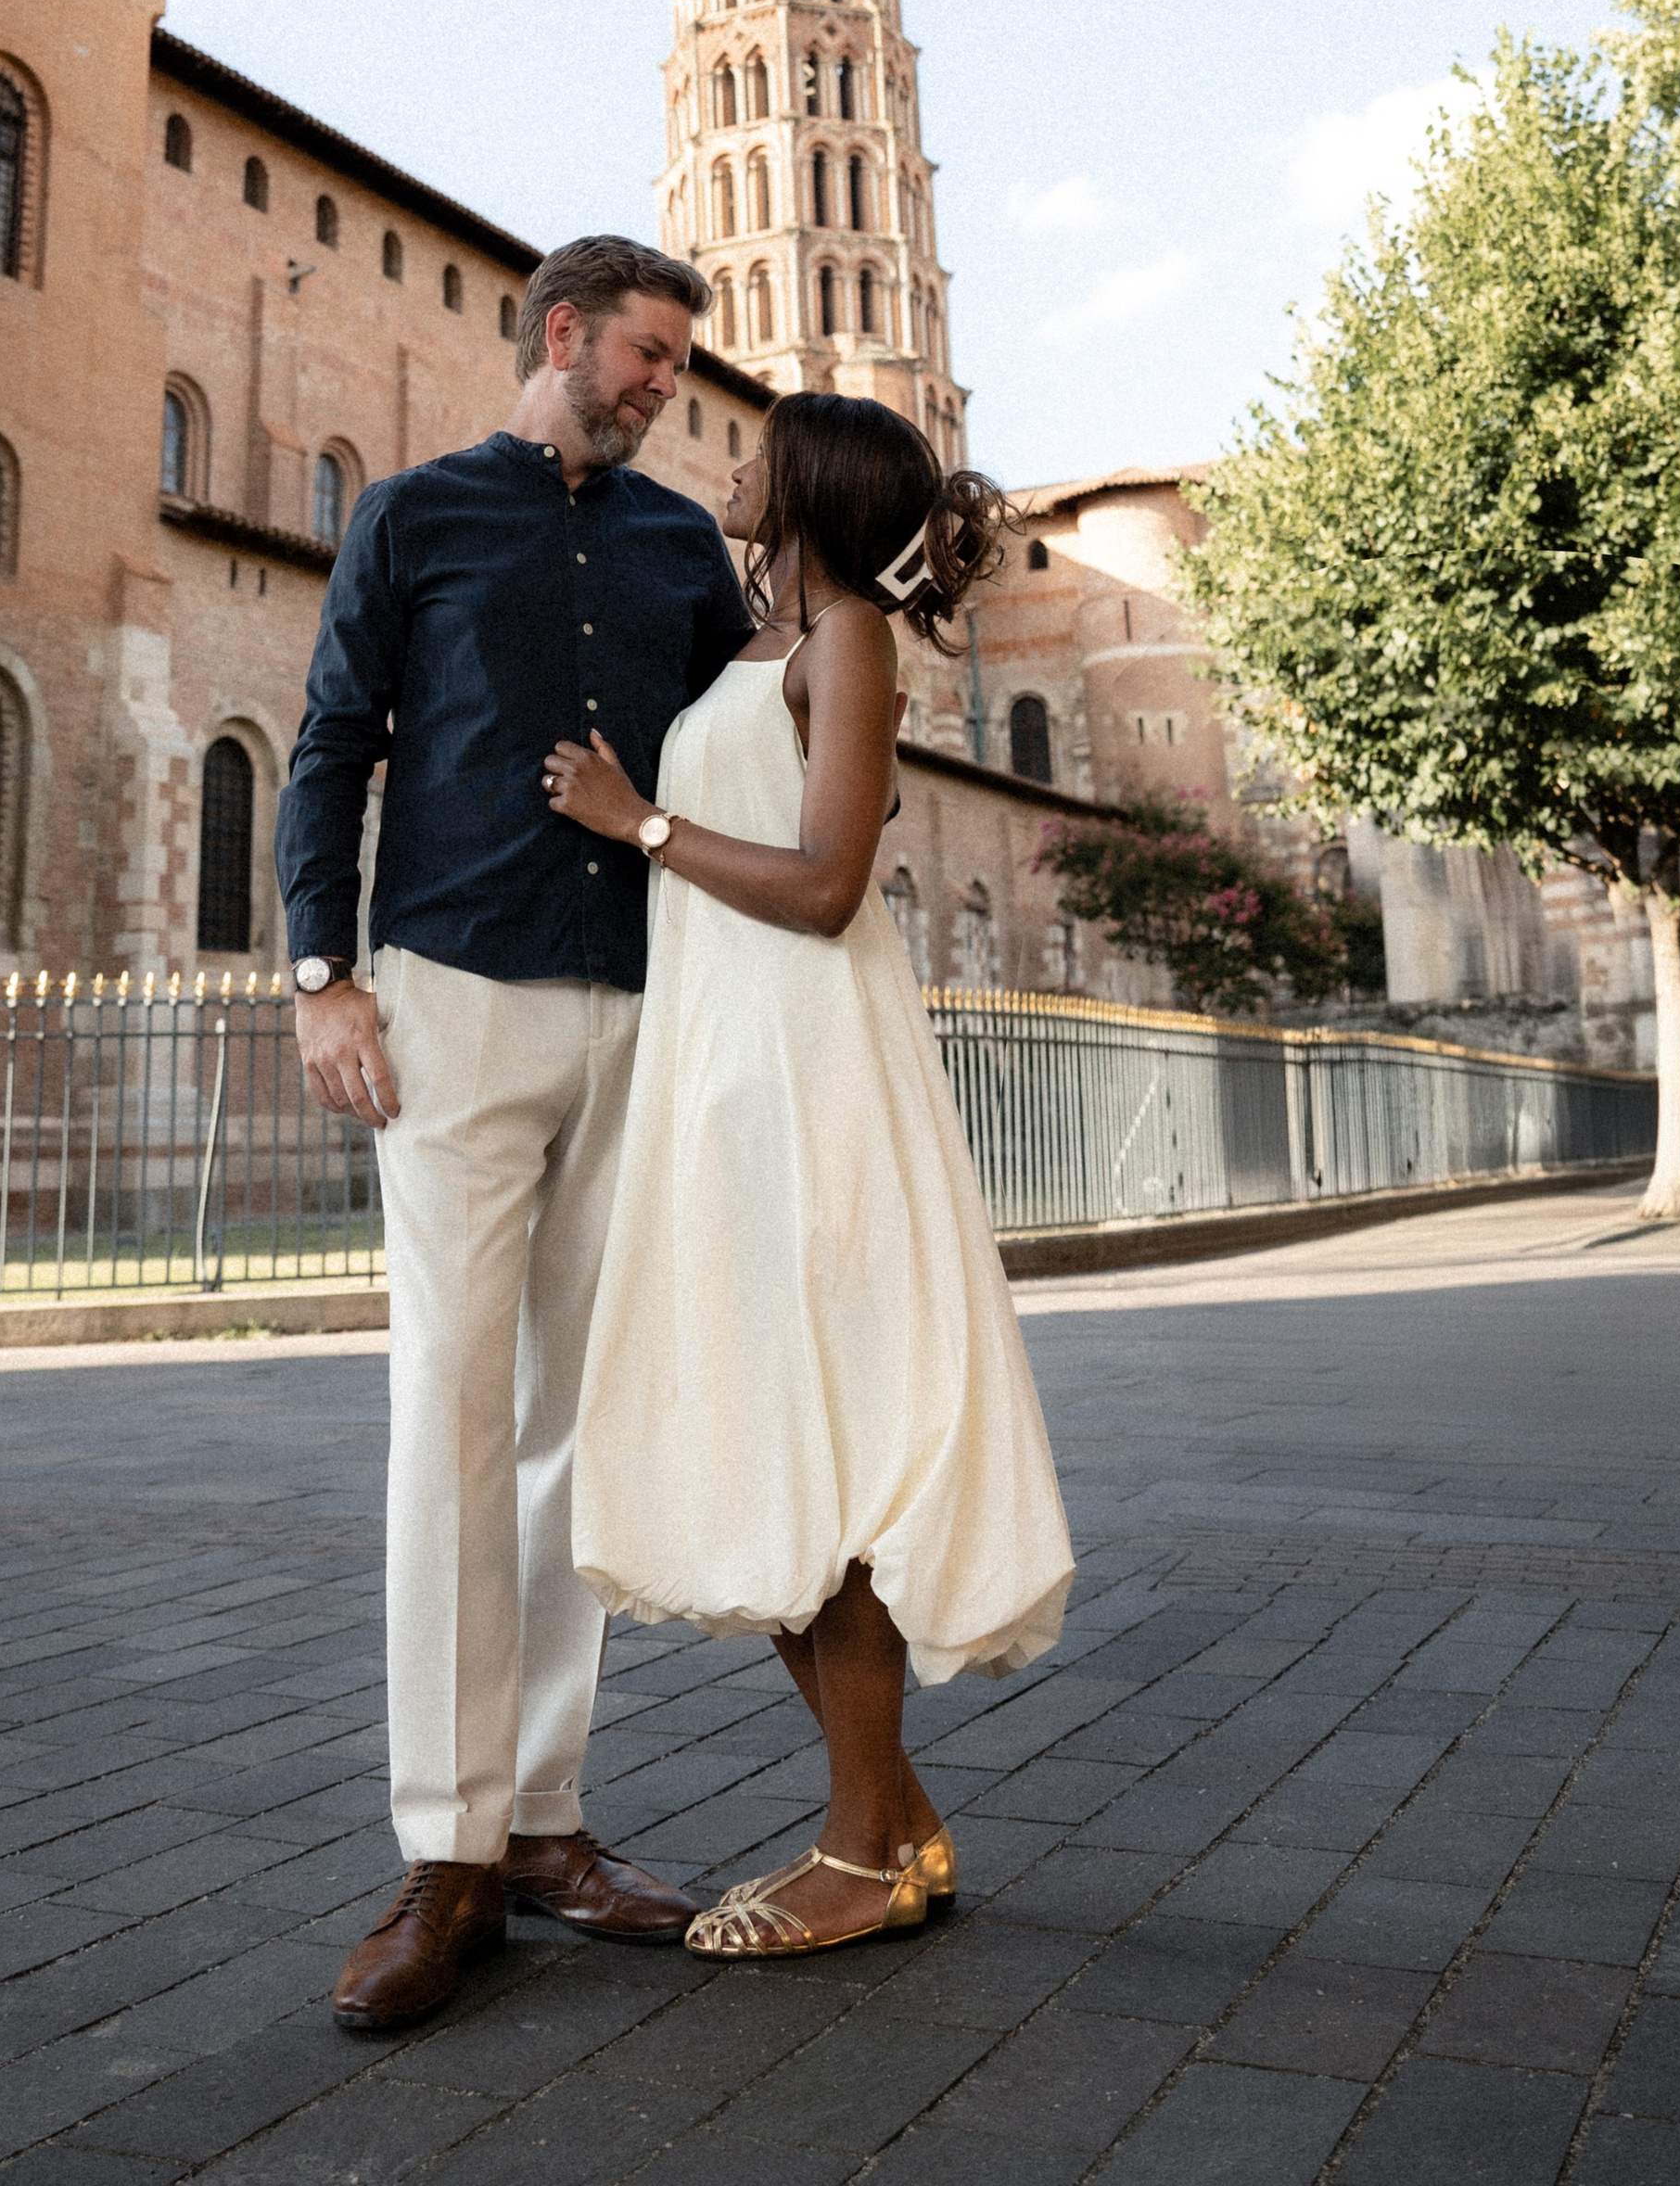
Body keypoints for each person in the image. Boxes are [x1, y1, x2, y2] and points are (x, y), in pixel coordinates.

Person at [275, 235, 757, 2032]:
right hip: (449, 1000)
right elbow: (329, 747)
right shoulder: (410, 518)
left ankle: (545, 1819)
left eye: (674, 368)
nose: (661, 389)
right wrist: (323, 974)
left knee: (568, 1423)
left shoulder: (674, 545)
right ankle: (443, 1848)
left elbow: (744, 742)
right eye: (643, 356)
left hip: (633, 1004)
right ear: (561, 334)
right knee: (449, 1416)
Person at [548, 391, 1075, 1957]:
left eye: (761, 448)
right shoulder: (774, 643)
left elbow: (833, 884)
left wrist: (638, 822)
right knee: (780, 1443)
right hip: (729, 1068)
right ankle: (898, 1826)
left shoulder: (849, 644)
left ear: (816, 483)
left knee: (822, 1452)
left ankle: (859, 1850)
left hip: (801, 1070)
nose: (732, 458)